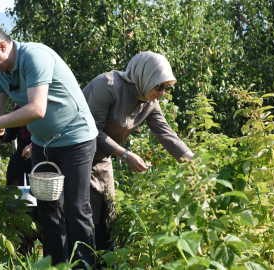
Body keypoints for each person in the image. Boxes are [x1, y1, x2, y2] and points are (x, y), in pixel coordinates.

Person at [0, 23, 98, 268]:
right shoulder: (1, 73)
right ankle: (56, 266)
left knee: (76, 209)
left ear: (2, 46)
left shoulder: (35, 56)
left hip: (75, 140)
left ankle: (86, 266)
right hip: (42, 145)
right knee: (49, 211)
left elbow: (37, 109)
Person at [82, 51, 194, 266]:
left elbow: (167, 135)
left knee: (108, 219)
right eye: (159, 86)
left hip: (101, 158)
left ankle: (108, 266)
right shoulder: (107, 85)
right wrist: (124, 154)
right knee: (84, 220)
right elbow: (90, 131)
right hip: (74, 155)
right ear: (145, 77)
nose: (162, 93)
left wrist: (193, 162)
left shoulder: (149, 101)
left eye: (166, 88)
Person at [0, 104, 41, 256]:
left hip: (45, 167)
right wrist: (2, 132)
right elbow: (11, 133)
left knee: (47, 214)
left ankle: (54, 261)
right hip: (22, 168)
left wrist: (37, 145)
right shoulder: (20, 105)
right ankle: (24, 258)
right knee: (22, 213)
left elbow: (60, 131)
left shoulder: (50, 101)